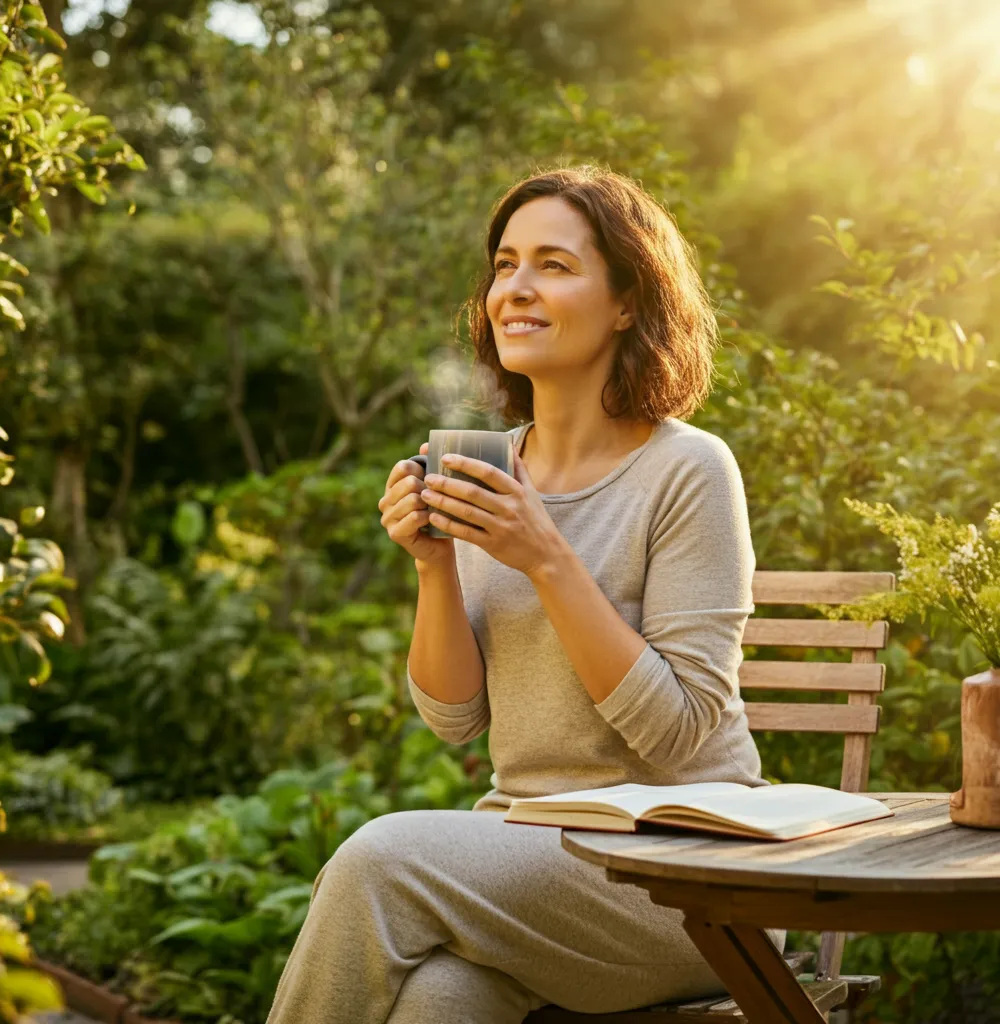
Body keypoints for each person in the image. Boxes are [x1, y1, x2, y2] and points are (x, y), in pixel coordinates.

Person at [265, 164, 783, 1024]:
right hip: (530, 861)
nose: (516, 288)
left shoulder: (688, 469)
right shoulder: (491, 467)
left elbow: (678, 727)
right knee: (438, 1002)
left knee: (380, 858)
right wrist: (433, 564)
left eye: (554, 264)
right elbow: (454, 721)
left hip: (681, 880)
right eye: (505, 265)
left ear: (627, 300)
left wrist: (546, 557)